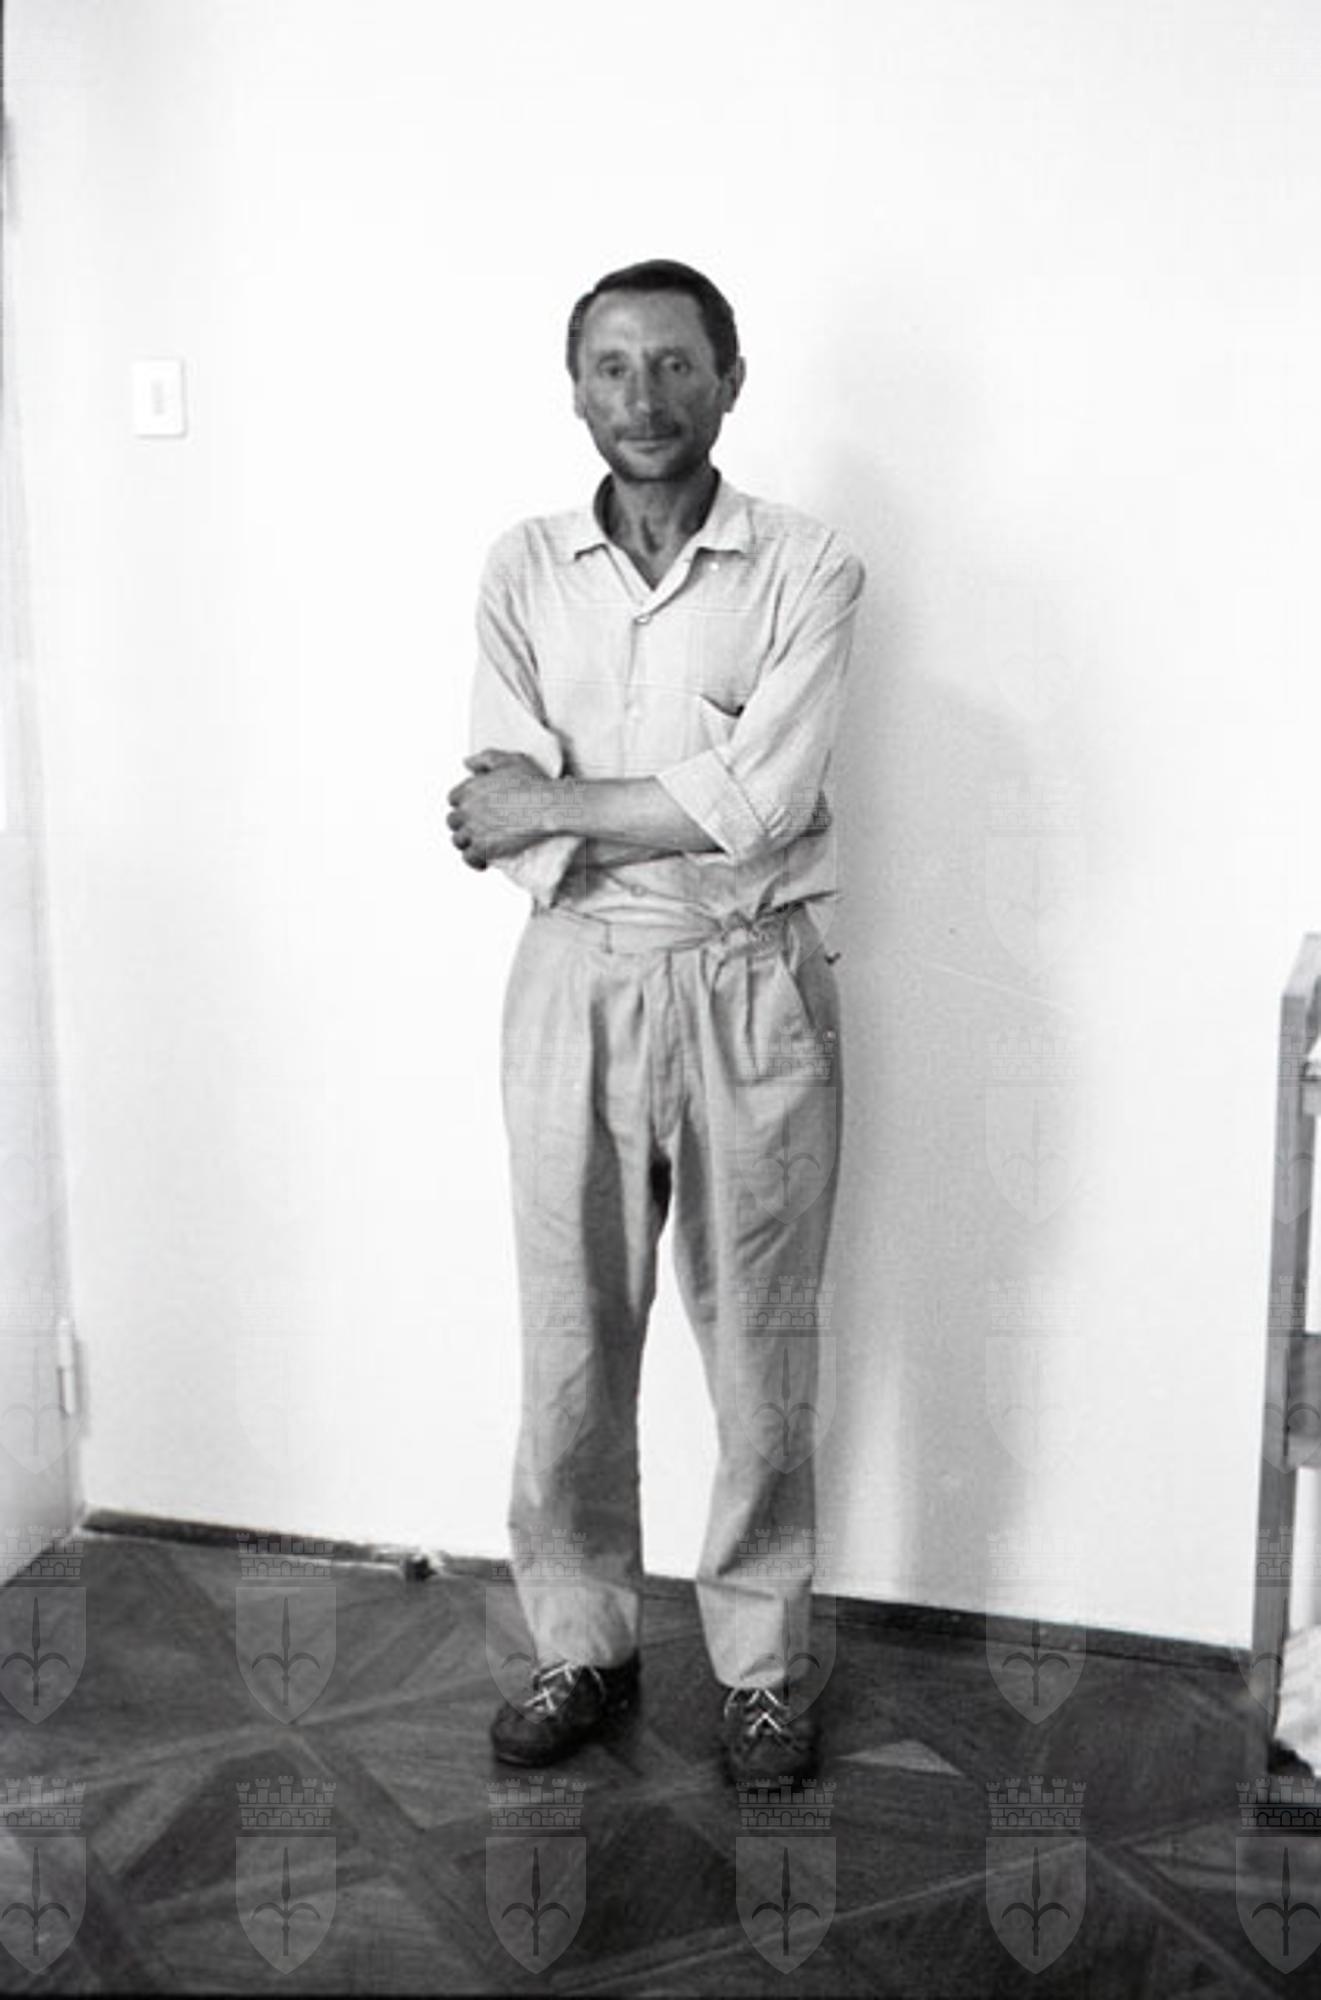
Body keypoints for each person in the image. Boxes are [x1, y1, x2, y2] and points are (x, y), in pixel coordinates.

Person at [447, 259, 864, 1782]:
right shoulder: (522, 568)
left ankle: (759, 1668)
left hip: (753, 982)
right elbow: (494, 814)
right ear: (574, 388)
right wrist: (645, 808)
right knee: (569, 1337)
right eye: (613, 366)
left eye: (677, 364)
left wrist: (566, 804)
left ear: (731, 380)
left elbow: (762, 804)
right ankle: (581, 1646)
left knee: (761, 1347)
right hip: (575, 981)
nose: (645, 397)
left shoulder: (808, 566)